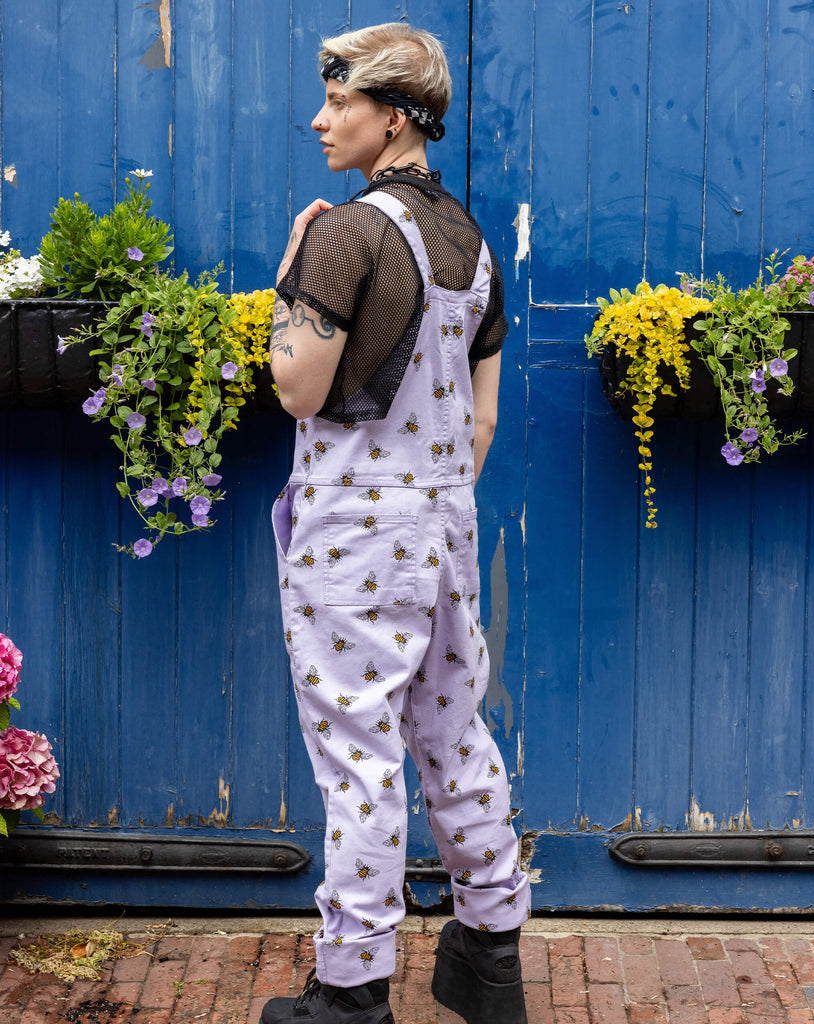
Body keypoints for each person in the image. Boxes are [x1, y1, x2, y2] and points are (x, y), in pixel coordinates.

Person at [263, 22, 530, 1024]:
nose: (323, 117)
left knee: (359, 755)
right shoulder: (472, 244)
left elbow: (298, 388)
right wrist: (432, 508)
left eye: (342, 101)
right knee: (455, 738)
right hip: (444, 527)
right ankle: (489, 955)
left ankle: (352, 987)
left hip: (353, 536)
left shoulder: (346, 231)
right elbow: (485, 415)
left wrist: (291, 275)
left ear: (397, 117)